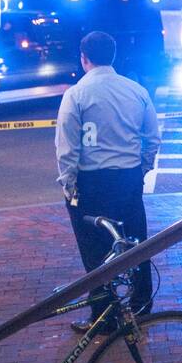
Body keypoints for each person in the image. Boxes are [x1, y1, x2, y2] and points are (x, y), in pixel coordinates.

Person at [56, 30, 160, 331]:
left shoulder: (76, 94)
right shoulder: (136, 90)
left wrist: (69, 185)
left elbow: (67, 147)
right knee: (135, 242)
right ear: (113, 56)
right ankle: (142, 304)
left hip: (92, 183)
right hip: (128, 179)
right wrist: (142, 168)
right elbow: (152, 137)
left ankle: (103, 314)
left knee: (94, 249)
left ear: (83, 57)